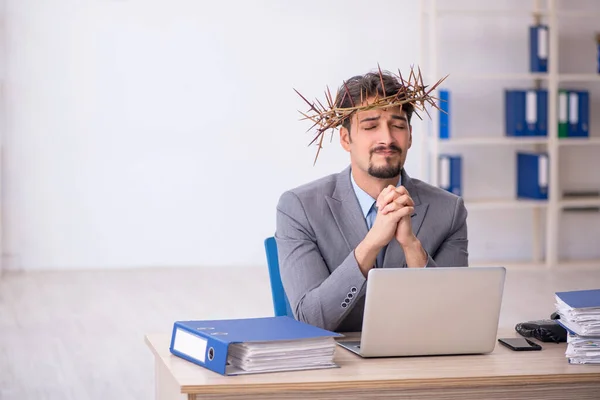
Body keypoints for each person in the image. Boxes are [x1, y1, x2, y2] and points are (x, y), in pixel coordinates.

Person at [275, 69, 468, 332]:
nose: (387, 139)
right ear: (346, 139)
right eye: (370, 126)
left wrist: (412, 246)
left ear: (410, 135)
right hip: (337, 362)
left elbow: (454, 319)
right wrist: (371, 243)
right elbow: (311, 320)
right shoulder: (299, 208)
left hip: (420, 358)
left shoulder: (449, 210)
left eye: (398, 126)